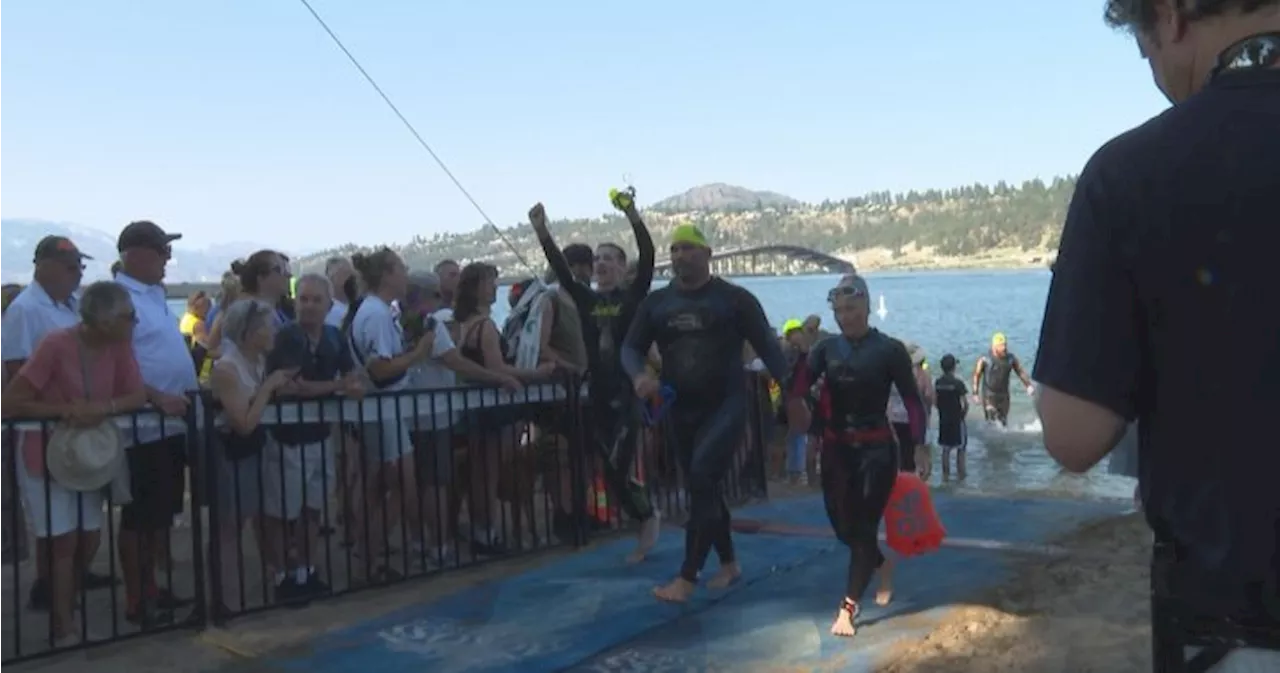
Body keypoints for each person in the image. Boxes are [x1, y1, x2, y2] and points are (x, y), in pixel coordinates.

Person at [1037, 3, 1280, 670]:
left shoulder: (1129, 175)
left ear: (1169, 16)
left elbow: (1073, 432)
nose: (1155, 74)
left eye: (1145, 54)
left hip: (1236, 625)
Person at [621, 223, 787, 603]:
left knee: (700, 479)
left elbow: (770, 349)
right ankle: (728, 563)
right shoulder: (657, 304)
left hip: (726, 403)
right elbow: (630, 348)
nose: (681, 256)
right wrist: (639, 375)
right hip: (680, 409)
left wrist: (793, 396)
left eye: (689, 249)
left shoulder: (735, 299)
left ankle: (687, 577)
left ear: (708, 254)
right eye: (675, 249)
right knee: (705, 487)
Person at [0, 281, 146, 645]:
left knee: (90, 536)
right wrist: (63, 411)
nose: (135, 321)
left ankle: (63, 601)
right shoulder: (55, 345)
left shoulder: (119, 344)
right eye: (129, 316)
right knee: (62, 540)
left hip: (90, 459)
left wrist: (102, 408)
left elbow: (136, 393)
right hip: (47, 455)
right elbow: (12, 402)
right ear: (102, 320)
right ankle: (62, 625)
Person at [529, 192, 662, 563]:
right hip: (599, 391)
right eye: (597, 258)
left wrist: (633, 213)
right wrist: (542, 231)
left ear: (622, 267)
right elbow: (558, 265)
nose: (601, 264)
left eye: (608, 259)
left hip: (627, 390)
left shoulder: (633, 295)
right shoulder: (585, 299)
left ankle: (648, 518)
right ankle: (644, 513)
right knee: (608, 468)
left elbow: (648, 255)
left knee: (619, 463)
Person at [791, 275, 924, 638]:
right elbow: (798, 388)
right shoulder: (826, 350)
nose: (845, 317)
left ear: (866, 306)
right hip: (837, 448)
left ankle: (848, 607)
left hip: (877, 448)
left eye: (851, 309)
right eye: (839, 310)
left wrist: (918, 447)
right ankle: (879, 562)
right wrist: (800, 359)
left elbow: (912, 400)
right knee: (842, 526)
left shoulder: (890, 349)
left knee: (864, 526)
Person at [114, 220, 197, 625]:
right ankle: (136, 598)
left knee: (161, 514)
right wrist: (155, 396)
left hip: (171, 426)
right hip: (143, 428)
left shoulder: (154, 296)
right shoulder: (119, 299)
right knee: (140, 517)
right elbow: (114, 364)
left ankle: (152, 586)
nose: (168, 259)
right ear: (136, 255)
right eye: (162, 251)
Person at [263, 273, 364, 602]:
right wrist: (336, 387)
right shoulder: (287, 337)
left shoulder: (335, 336)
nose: (307, 306)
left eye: (315, 300)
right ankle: (282, 575)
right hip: (288, 438)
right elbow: (293, 388)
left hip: (320, 435)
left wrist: (345, 385)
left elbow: (353, 377)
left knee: (313, 508)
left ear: (328, 304)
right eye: (302, 299)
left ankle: (306, 569)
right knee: (283, 511)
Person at [971, 332, 1032, 427]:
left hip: (1004, 396)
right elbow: (976, 375)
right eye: (1001, 346)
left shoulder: (1011, 358)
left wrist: (1028, 386)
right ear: (994, 347)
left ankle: (1003, 441)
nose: (1004, 348)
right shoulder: (984, 359)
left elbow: (1020, 372)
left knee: (1003, 424)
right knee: (991, 422)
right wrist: (975, 393)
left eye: (1005, 345)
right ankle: (989, 441)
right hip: (989, 395)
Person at [933, 354, 969, 479]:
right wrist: (962, 415)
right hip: (957, 420)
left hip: (944, 420)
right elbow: (966, 403)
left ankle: (945, 476)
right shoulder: (958, 383)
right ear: (954, 367)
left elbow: (935, 401)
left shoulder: (938, 383)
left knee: (946, 449)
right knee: (961, 449)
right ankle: (961, 475)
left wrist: (942, 411)